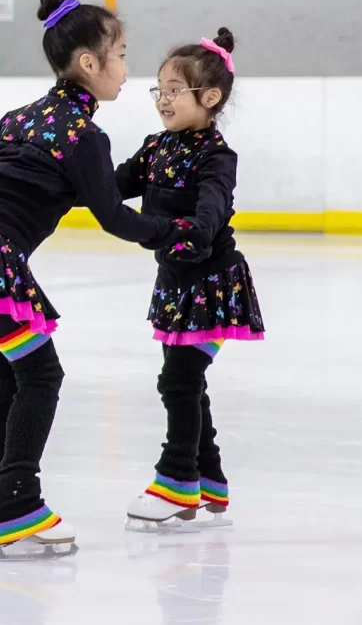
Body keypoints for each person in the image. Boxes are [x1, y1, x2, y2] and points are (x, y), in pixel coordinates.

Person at [0, 0, 183, 557]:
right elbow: (112, 217)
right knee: (40, 377)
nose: (127, 68)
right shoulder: (82, 135)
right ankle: (16, 503)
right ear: (88, 62)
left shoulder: (21, 118)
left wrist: (35, 178)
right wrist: (173, 234)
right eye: (122, 53)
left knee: (9, 375)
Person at [117, 28, 266, 532]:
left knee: (178, 381)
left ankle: (177, 482)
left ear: (211, 97)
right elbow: (111, 185)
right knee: (187, 381)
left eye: (174, 90)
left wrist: (196, 232)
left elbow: (213, 204)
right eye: (159, 88)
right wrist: (53, 176)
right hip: (175, 284)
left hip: (212, 286)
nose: (163, 98)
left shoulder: (216, 156)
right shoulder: (156, 147)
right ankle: (211, 477)